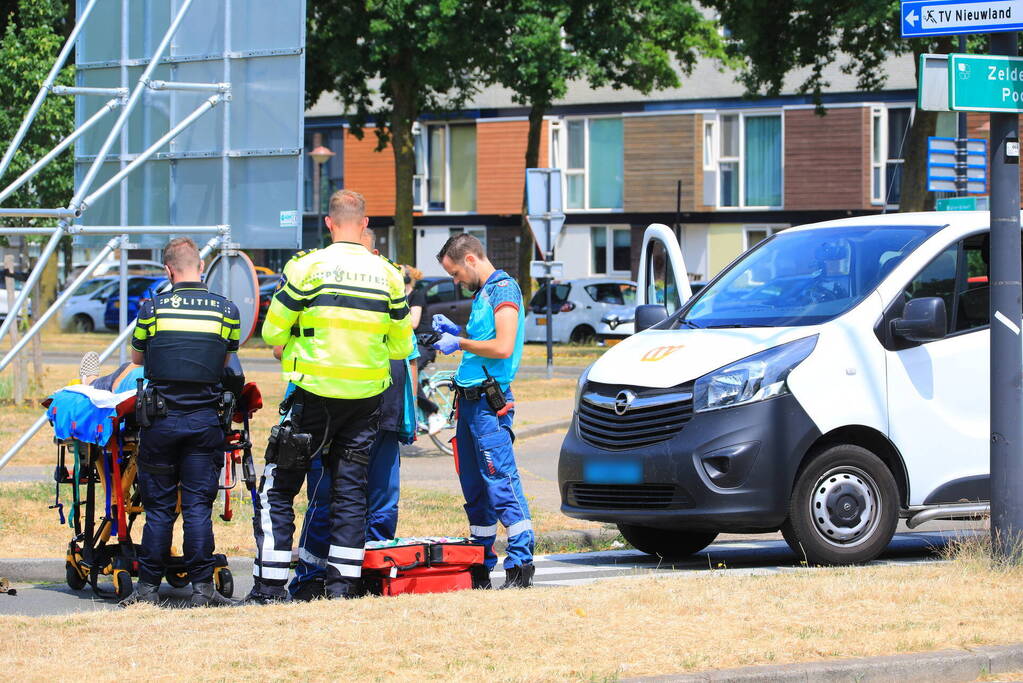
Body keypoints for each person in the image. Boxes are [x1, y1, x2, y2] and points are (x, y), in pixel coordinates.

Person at [246, 190, 413, 602]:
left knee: (278, 488)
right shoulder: (389, 275)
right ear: (365, 222)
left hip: (313, 397)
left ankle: (269, 587)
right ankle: (342, 588)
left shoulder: (307, 269)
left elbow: (271, 332)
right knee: (351, 493)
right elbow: (401, 346)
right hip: (365, 402)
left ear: (328, 222)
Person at [287, 228, 421, 601]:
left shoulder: (386, 281)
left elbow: (407, 358)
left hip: (381, 414)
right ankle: (314, 577)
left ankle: (373, 575)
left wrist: (409, 419)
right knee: (328, 499)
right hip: (338, 412)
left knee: (377, 503)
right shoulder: (363, 285)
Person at [121, 237, 241, 607]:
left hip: (160, 420)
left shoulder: (152, 309)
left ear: (168, 271)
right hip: (205, 421)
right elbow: (226, 362)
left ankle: (147, 590)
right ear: (201, 267)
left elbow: (137, 358)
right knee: (197, 509)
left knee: (158, 509)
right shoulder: (227, 310)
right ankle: (202, 588)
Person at [431, 233, 534, 588]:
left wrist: (458, 341)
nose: (455, 281)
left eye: (456, 273)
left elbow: (503, 346)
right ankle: (480, 564)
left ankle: (520, 565)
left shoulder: (503, 290)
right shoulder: (483, 295)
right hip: (471, 405)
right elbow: (485, 344)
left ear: (471, 260)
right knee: (476, 490)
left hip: (490, 407)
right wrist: (458, 331)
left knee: (501, 483)